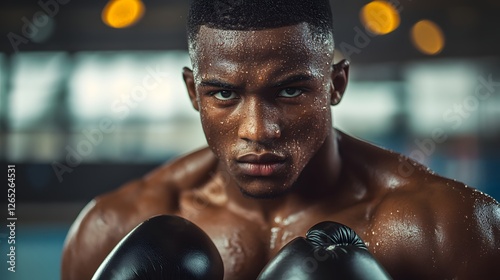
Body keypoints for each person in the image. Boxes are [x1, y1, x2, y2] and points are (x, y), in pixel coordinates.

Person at [61, 0, 500, 279]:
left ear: (336, 84)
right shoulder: (111, 226)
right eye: (224, 94)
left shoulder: (447, 230)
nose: (258, 129)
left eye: (289, 91)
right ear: (194, 93)